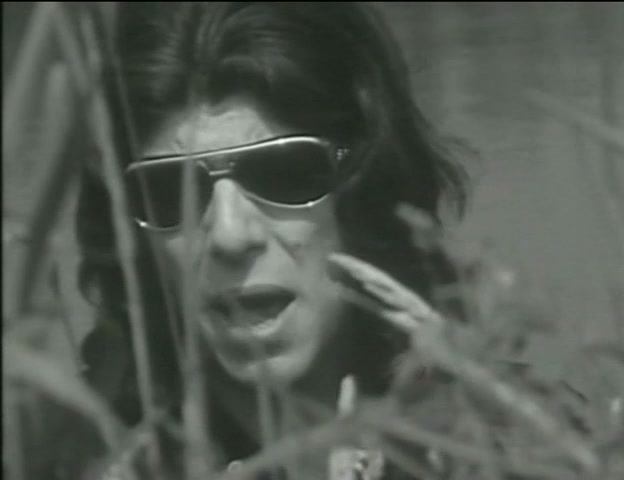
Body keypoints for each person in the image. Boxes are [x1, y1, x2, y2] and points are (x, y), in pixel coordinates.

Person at [76, 3, 468, 479]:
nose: (229, 235)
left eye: (284, 173)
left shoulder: (503, 439)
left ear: (367, 186)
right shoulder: (76, 453)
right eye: (168, 191)